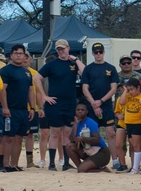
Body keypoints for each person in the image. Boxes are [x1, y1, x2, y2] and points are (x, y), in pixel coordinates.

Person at [38, 39, 85, 170]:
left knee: (67, 133)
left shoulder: (73, 63)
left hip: (69, 103)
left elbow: (85, 72)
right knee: (54, 133)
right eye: (58, 49)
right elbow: (36, 78)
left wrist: (76, 59)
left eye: (63, 48)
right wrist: (44, 96)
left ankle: (65, 162)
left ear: (68, 48)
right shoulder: (52, 64)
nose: (61, 51)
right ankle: (52, 163)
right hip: (54, 103)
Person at [0, 44, 35, 172]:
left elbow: (30, 91)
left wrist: (32, 108)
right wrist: (5, 107)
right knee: (8, 138)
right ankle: (5, 165)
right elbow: (2, 90)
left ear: (25, 55)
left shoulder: (27, 72)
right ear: (11, 55)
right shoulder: (5, 71)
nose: (19, 55)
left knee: (19, 138)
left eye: (21, 53)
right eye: (16, 53)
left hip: (23, 110)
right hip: (11, 109)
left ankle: (14, 164)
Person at [81, 43, 118, 145]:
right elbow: (85, 89)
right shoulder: (88, 69)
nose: (98, 54)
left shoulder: (111, 68)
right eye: (96, 52)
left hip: (106, 105)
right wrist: (94, 104)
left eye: (100, 52)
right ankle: (94, 157)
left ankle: (115, 160)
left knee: (110, 133)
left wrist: (101, 101)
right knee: (93, 133)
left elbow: (113, 89)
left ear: (104, 52)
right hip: (91, 106)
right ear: (92, 53)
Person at [65, 102, 111, 172]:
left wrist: (83, 138)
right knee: (69, 146)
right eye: (78, 110)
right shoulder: (76, 124)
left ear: (87, 112)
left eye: (82, 110)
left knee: (82, 169)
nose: (80, 111)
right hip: (88, 150)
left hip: (101, 152)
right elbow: (71, 140)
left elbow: (97, 139)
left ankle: (101, 169)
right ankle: (81, 167)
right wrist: (76, 125)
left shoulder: (91, 122)